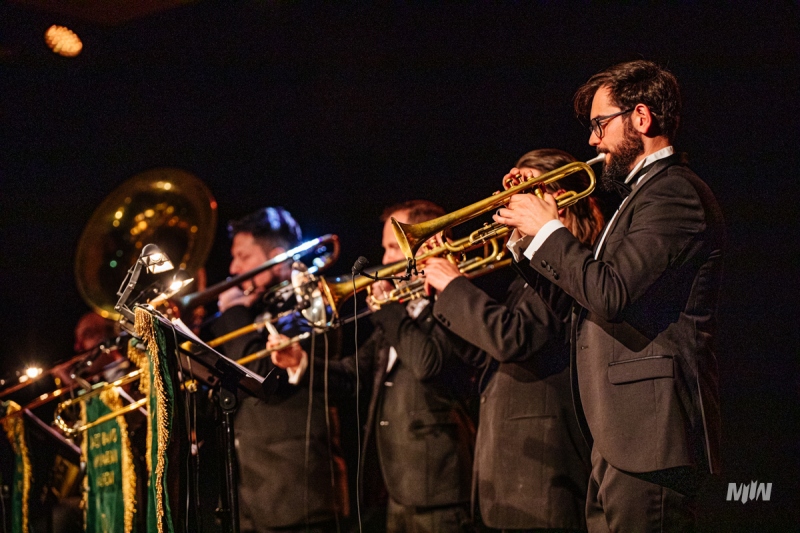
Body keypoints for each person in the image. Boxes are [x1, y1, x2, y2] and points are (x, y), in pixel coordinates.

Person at [493, 60, 725, 532]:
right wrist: (527, 241)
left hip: (651, 437)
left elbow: (611, 294)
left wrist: (550, 230)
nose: (593, 141)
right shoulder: (638, 198)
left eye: (601, 124)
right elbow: (582, 301)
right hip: (617, 434)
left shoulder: (674, 192)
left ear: (640, 118)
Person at [271, 200, 477, 533]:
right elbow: (355, 374)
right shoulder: (401, 312)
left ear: (429, 243)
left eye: (396, 247)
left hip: (442, 491)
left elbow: (427, 363)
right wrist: (301, 362)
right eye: (385, 248)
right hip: (396, 489)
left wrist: (385, 310)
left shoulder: (454, 299)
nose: (386, 260)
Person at [423, 148, 600, 531]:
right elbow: (487, 352)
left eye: (526, 191)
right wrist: (444, 291)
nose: (509, 204)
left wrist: (454, 286)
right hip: (510, 475)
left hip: (543, 476)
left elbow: (514, 338)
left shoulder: (570, 267)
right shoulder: (527, 276)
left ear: (559, 202)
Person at [209, 207, 347, 532]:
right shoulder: (254, 310)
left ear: (278, 257)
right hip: (252, 498)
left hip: (298, 496)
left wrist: (233, 312)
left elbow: (262, 377)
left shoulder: (309, 304)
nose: (233, 268)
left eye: (243, 257)